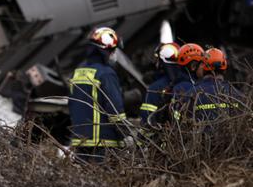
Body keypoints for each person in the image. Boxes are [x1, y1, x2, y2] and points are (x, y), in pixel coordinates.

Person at [68, 26, 127, 162]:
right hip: (104, 144)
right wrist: (125, 134)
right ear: (104, 51)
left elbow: (72, 105)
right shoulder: (106, 74)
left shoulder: (77, 73)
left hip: (81, 142)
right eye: (112, 51)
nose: (113, 55)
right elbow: (114, 109)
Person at [192, 48, 243, 129]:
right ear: (225, 69)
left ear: (203, 67)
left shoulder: (192, 93)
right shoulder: (238, 95)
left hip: (200, 140)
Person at [140, 42, 181, 128]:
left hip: (159, 138)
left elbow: (147, 120)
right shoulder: (189, 84)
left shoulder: (155, 88)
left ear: (162, 62)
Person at [171, 43, 205, 122]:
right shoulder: (183, 88)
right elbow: (177, 117)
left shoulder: (181, 84)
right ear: (193, 66)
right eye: (202, 64)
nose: (205, 67)